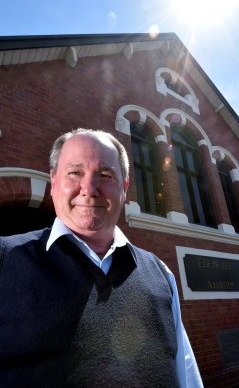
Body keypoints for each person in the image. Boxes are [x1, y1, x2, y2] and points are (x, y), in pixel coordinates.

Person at [0, 128, 203, 387]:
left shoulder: (160, 274)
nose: (89, 188)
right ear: (54, 183)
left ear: (125, 187)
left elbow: (186, 377)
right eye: (75, 173)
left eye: (105, 175)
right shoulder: (5, 259)